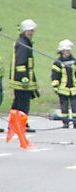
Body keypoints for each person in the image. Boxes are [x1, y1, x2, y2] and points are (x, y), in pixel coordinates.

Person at [7, 19, 39, 148]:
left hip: (23, 80)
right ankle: (20, 124)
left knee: (18, 102)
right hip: (22, 81)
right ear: (24, 30)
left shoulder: (25, 42)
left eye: (32, 31)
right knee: (22, 103)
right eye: (29, 31)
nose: (31, 33)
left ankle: (14, 124)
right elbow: (20, 63)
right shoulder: (23, 44)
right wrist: (24, 79)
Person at [51, 40, 76, 129]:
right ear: (61, 51)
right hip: (62, 89)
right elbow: (55, 76)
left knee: (75, 106)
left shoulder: (75, 61)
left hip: (74, 88)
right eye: (65, 50)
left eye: (68, 50)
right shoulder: (57, 63)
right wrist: (55, 86)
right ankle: (66, 122)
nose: (67, 52)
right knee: (64, 107)